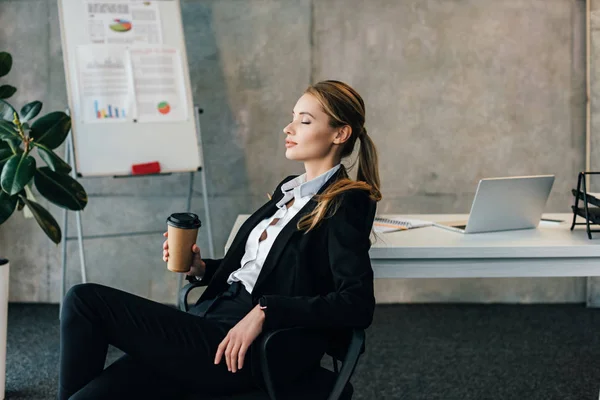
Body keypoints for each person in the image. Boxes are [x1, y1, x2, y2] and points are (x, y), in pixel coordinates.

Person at [58, 80, 382, 400]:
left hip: (245, 347)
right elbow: (261, 270)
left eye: (305, 120)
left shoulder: (344, 202)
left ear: (340, 134)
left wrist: (265, 311)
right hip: (209, 321)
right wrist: (201, 269)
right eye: (293, 116)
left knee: (84, 301)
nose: (289, 127)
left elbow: (356, 302)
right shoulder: (289, 191)